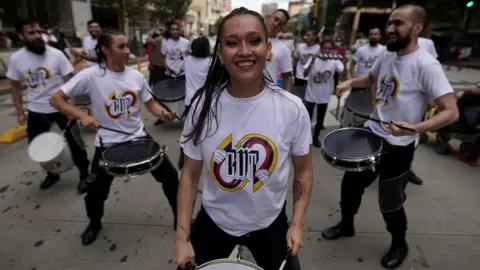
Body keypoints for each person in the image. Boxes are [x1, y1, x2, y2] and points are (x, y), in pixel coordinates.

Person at [172, 7, 313, 270]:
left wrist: (296, 224)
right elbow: (190, 175)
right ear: (221, 53)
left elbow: (303, 170)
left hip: (271, 223)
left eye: (254, 40)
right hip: (215, 221)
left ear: (267, 48)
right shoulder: (203, 106)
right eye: (232, 43)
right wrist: (182, 236)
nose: (245, 51)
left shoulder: (292, 108)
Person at [323, 5, 459, 269]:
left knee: (391, 201)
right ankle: (346, 225)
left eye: (398, 23)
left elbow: (451, 111)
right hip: (373, 136)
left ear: (416, 28)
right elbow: (371, 78)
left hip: (399, 147)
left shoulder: (426, 65)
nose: (390, 29)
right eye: (389, 24)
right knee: (350, 188)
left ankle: (399, 243)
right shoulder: (387, 55)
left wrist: (416, 128)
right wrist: (350, 83)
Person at [50, 30, 180, 246]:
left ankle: (181, 221)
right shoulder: (91, 76)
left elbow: (150, 104)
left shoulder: (136, 76)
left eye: (127, 45)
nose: (128, 50)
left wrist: (162, 113)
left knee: (171, 179)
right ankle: (94, 223)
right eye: (121, 47)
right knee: (95, 192)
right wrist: (82, 115)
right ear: (105, 50)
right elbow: (56, 99)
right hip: (108, 143)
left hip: (139, 137)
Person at [7, 19, 90, 192]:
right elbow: (15, 87)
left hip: (62, 108)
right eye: (32, 33)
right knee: (37, 146)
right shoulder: (16, 59)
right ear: (21, 36)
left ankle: (85, 175)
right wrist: (20, 112)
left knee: (75, 144)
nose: (38, 36)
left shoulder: (57, 54)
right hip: (36, 110)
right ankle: (52, 173)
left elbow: (71, 83)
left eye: (38, 31)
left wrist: (72, 109)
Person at [407, 31, 439, 185]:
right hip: (397, 96)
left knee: (413, 135)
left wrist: (432, 96)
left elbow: (434, 71)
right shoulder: (398, 41)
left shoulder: (427, 43)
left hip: (418, 99)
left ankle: (407, 168)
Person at [303, 38, 345, 148]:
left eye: (329, 49)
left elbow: (341, 69)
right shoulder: (313, 59)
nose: (327, 50)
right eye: (325, 48)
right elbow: (305, 73)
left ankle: (315, 137)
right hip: (311, 94)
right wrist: (312, 61)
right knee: (307, 118)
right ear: (321, 48)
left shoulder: (334, 61)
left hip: (324, 95)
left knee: (320, 119)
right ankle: (304, 138)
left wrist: (339, 57)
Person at [178, 37, 211, 169]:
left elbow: (179, 69)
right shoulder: (210, 62)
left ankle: (184, 155)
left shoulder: (188, 60)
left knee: (188, 129)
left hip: (190, 101)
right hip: (205, 101)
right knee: (207, 130)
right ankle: (205, 156)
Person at [154, 21, 190, 126]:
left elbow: (188, 58)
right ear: (170, 31)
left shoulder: (186, 42)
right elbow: (163, 57)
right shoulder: (165, 42)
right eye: (173, 29)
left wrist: (184, 69)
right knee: (165, 96)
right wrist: (168, 69)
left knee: (184, 97)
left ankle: (185, 118)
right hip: (170, 73)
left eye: (177, 29)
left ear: (180, 31)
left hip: (182, 73)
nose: (175, 31)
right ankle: (162, 117)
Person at [265, 9, 293, 91]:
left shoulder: (283, 49)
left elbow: (287, 77)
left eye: (281, 24)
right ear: (269, 17)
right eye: (276, 19)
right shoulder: (250, 39)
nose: (276, 24)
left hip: (269, 95)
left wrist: (287, 100)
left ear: (282, 28)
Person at [349, 27, 385, 92]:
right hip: (360, 84)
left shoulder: (384, 50)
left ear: (380, 36)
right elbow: (352, 66)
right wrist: (355, 80)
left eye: (375, 34)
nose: (373, 36)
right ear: (368, 36)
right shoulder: (361, 50)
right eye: (371, 34)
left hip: (376, 84)